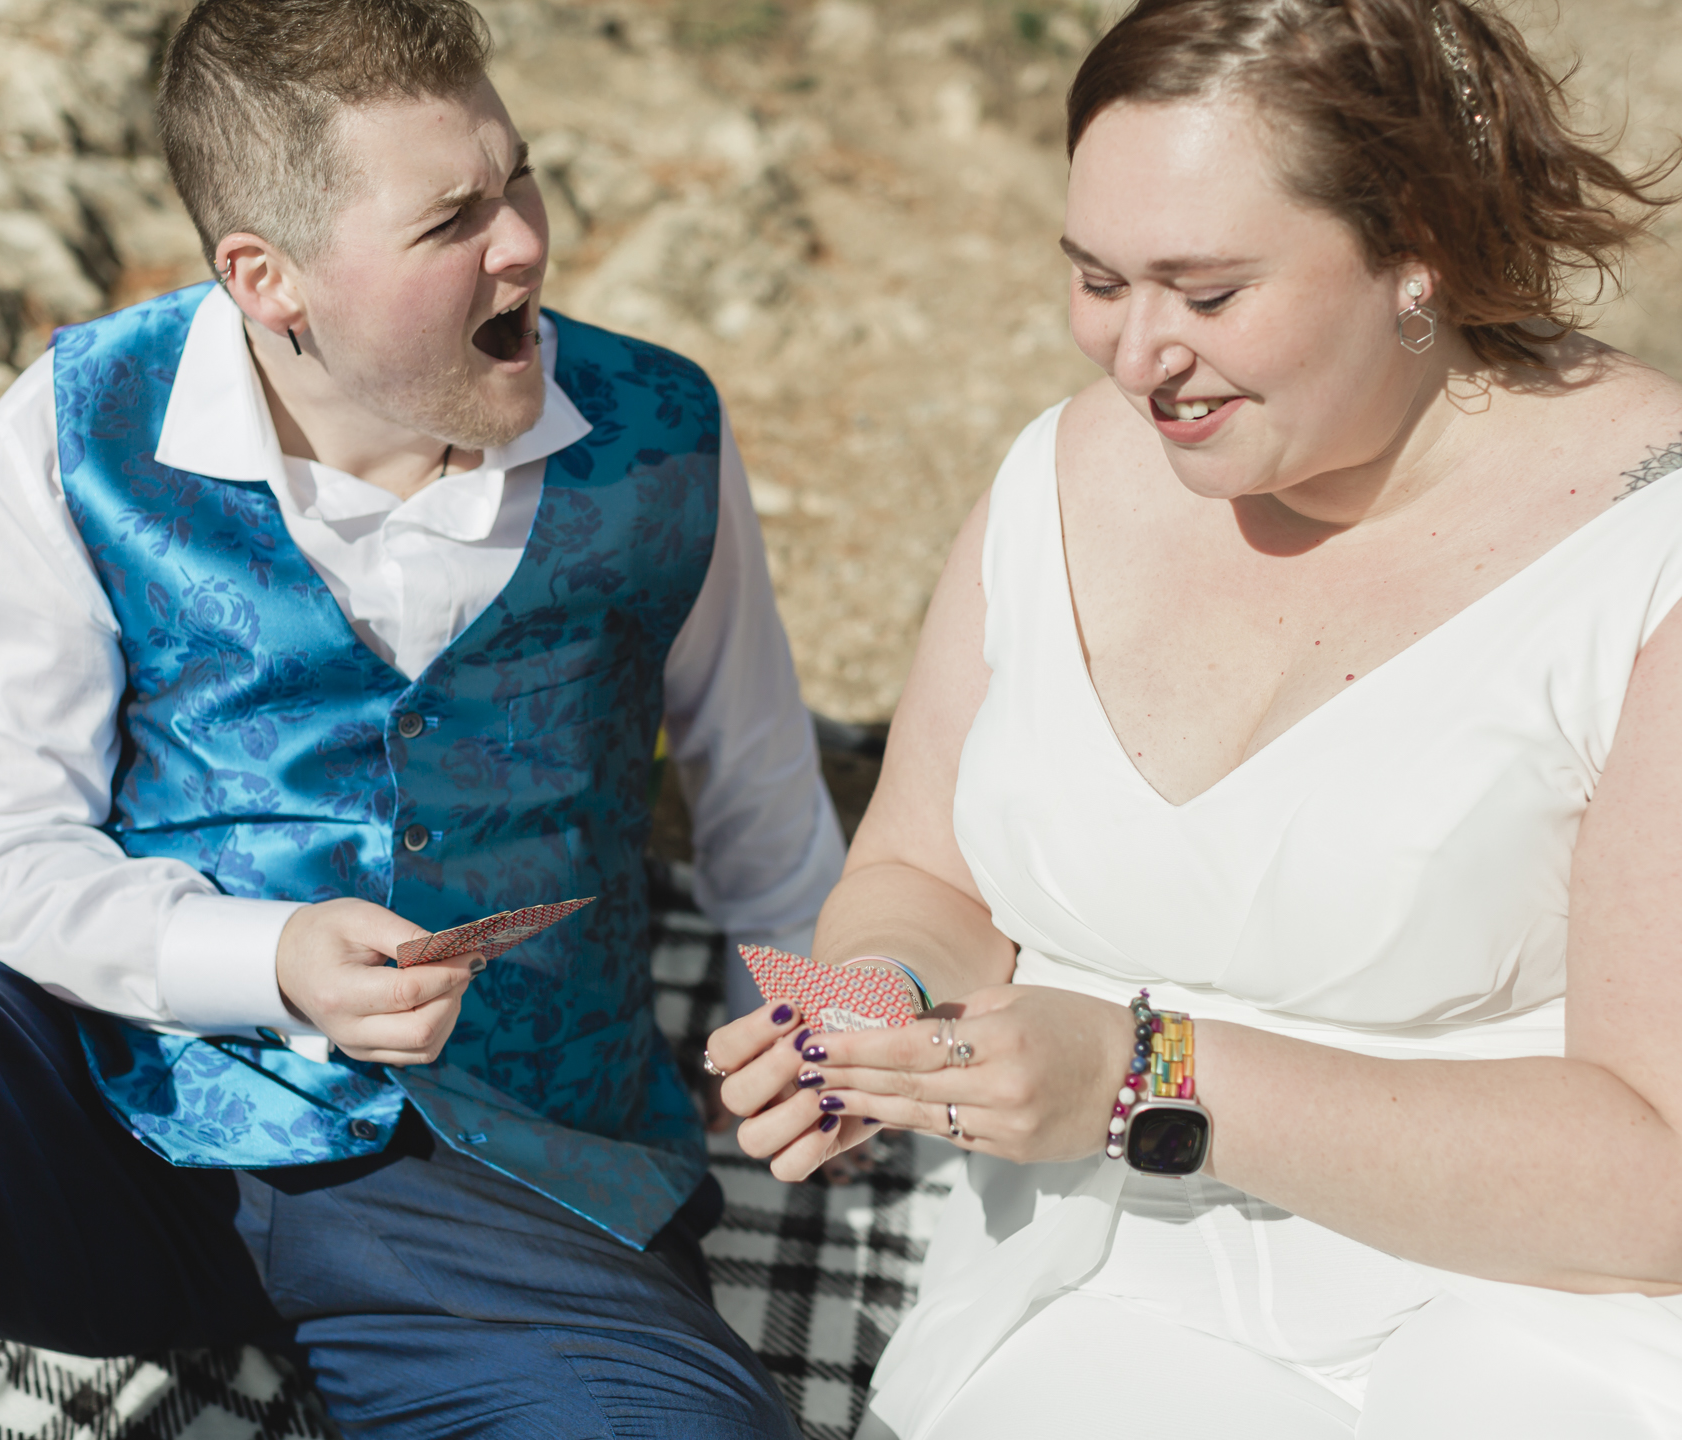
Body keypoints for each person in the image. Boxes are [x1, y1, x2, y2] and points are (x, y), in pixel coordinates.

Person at [706, 0, 1682, 1435]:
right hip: (1082, 1299)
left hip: (1532, 1320)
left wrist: (1145, 1080)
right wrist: (874, 1013)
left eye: (1207, 295)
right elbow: (924, 875)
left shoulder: (1642, 552)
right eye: (1098, 280)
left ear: (1416, 251)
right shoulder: (1057, 479)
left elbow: (1652, 1178)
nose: (1135, 355)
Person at [0, 1, 843, 1434]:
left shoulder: (663, 432)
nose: (523, 238)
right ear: (269, 279)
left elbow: (768, 810)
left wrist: (837, 1052)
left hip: (503, 1178)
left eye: (516, 177)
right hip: (92, 1099)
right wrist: (262, 954)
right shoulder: (74, 422)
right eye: (453, 216)